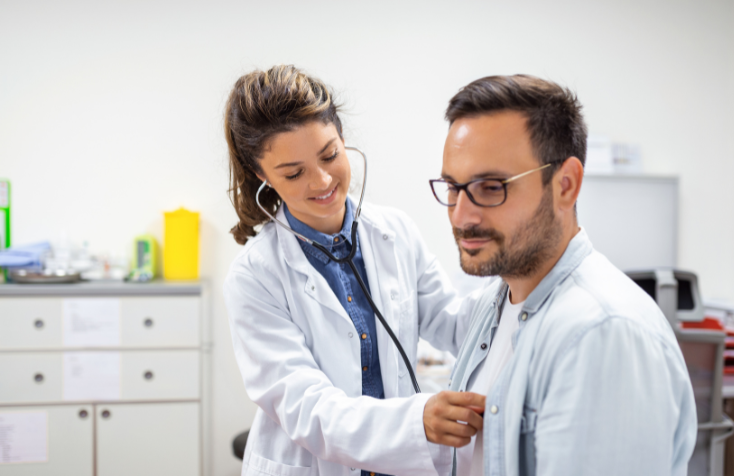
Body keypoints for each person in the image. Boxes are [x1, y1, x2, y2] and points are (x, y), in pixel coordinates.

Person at [428, 75, 697, 476]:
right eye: (453, 187)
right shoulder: (496, 303)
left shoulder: (602, 333)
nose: (461, 216)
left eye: (491, 187)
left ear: (565, 185)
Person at [223, 65, 485, 476]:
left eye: (330, 155)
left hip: (398, 463)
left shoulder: (394, 232)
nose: (323, 180)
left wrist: (518, 276)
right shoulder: (254, 277)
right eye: (293, 173)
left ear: (343, 140)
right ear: (262, 175)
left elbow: (453, 324)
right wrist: (413, 422)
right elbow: (306, 407)